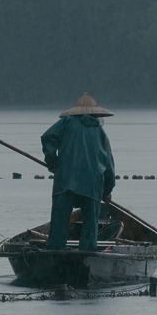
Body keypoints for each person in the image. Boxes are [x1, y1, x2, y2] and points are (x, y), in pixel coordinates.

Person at [41, 93, 116, 251]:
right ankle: (87, 255)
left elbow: (48, 137)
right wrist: (106, 192)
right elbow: (109, 167)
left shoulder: (66, 123)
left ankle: (55, 253)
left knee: (59, 223)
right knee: (90, 227)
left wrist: (52, 162)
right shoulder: (101, 134)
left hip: (65, 181)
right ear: (96, 115)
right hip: (92, 186)